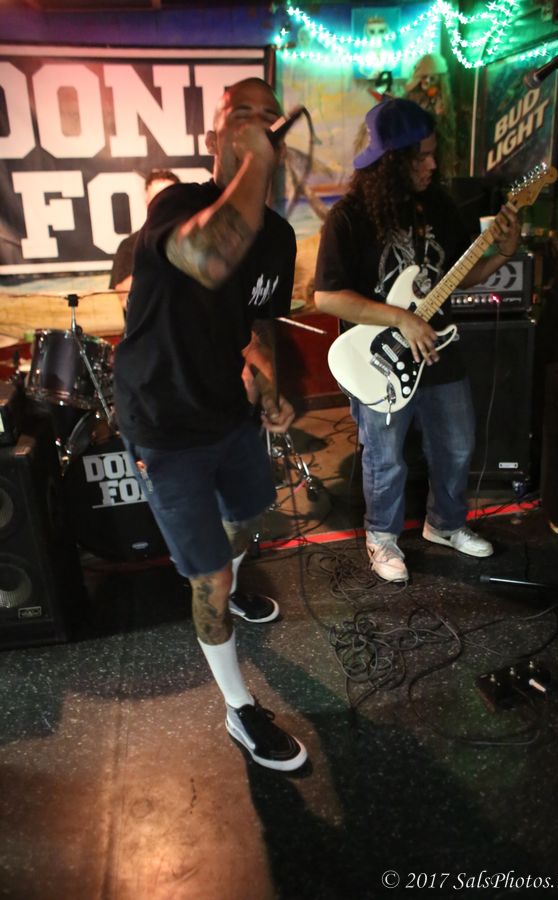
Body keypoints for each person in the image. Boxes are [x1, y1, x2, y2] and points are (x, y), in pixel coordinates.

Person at [112, 78, 307, 772]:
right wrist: (254, 162)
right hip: (163, 423)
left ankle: (230, 578)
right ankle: (238, 708)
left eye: (267, 117)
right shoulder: (178, 205)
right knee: (211, 581)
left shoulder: (278, 237)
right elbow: (210, 255)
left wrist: (270, 380)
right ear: (213, 138)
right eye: (240, 115)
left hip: (227, 409)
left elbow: (259, 320)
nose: (257, 124)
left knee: (250, 516)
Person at [314, 98, 520, 583]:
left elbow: (459, 276)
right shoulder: (349, 218)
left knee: (457, 446)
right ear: (391, 162)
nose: (432, 164)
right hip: (381, 359)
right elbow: (327, 296)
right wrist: (399, 319)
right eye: (420, 156)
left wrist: (503, 253)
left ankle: (444, 524)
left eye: (432, 153)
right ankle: (382, 537)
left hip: (440, 351)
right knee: (385, 457)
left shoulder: (440, 208)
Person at [109, 169, 181, 312]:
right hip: (150, 323)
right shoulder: (131, 244)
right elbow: (124, 297)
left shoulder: (193, 239)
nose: (163, 205)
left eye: (169, 199)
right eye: (157, 200)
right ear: (147, 203)